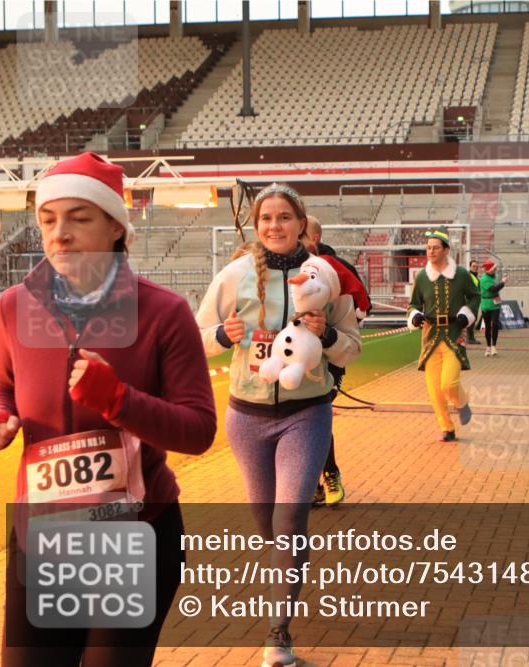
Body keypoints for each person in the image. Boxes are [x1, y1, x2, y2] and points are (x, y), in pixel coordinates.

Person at [0, 152, 217, 666]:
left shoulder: (164, 313)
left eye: (79, 217)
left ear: (116, 225)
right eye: (48, 220)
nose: (59, 233)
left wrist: (118, 400)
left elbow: (199, 429)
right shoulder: (12, 307)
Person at [196, 183, 361, 666]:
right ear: (255, 223)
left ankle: (278, 634)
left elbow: (351, 345)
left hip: (306, 414)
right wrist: (221, 336)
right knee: (268, 524)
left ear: (300, 222)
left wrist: (326, 334)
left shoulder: (327, 277)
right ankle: (292, 568)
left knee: (289, 521)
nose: (274, 225)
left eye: (284, 217)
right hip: (246, 417)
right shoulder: (233, 275)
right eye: (266, 217)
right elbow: (197, 335)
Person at [304, 215, 367, 508]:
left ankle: (329, 473)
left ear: (312, 237)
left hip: (328, 361)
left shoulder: (337, 268)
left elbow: (362, 303)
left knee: (316, 417)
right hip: (292, 362)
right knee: (299, 420)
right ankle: (313, 483)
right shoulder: (278, 269)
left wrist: (332, 330)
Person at [407, 227, 479, 441]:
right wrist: (416, 315)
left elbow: (475, 297)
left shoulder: (462, 275)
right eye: (428, 248)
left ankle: (462, 403)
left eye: (435, 248)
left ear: (446, 250)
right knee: (435, 390)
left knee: (449, 384)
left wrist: (467, 314)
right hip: (430, 338)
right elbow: (412, 304)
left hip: (453, 335)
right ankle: (447, 428)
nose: (431, 252)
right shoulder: (421, 277)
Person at [478, 260, 507, 357]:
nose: (495, 270)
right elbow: (493, 289)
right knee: (487, 326)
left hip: (495, 304)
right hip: (486, 304)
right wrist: (502, 283)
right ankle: (488, 346)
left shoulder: (494, 276)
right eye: (494, 268)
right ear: (488, 270)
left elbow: (496, 288)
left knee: (495, 324)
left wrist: (501, 283)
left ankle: (494, 346)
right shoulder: (483, 279)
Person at [466, 259, 482, 345]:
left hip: (475, 302)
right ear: (470, 267)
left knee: (473, 319)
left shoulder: (475, 277)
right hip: (470, 302)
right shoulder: (469, 276)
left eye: (477, 267)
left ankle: (470, 337)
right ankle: (470, 338)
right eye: (474, 266)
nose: (476, 268)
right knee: (471, 320)